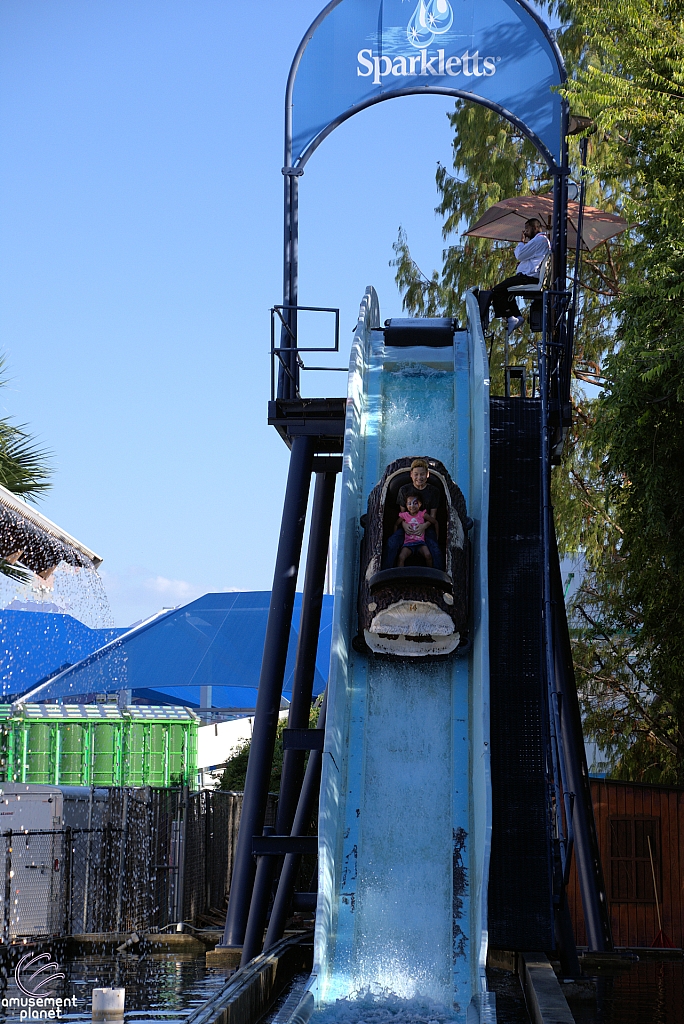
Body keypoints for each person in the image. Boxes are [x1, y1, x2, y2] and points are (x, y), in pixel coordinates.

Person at [478, 218, 551, 332]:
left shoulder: (539, 240)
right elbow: (532, 258)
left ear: (535, 228)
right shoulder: (541, 241)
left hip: (528, 278)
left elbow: (520, 254)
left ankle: (510, 317)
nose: (525, 233)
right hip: (529, 276)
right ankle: (517, 317)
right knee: (506, 291)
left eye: (527, 229)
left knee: (497, 290)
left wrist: (521, 242)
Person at [384, 458, 444, 569]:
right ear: (411, 475)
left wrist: (423, 526)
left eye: (422, 474)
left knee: (435, 549)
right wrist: (405, 525)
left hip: (425, 525)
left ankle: (438, 578)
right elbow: (402, 514)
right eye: (416, 474)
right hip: (407, 524)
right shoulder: (404, 490)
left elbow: (433, 516)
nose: (419, 478)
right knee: (391, 543)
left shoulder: (434, 491)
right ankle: (387, 574)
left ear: (427, 474)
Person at [396, 491, 434, 567]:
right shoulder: (404, 515)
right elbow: (396, 524)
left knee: (428, 555)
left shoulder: (422, 514)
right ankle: (400, 575)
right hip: (408, 543)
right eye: (409, 503)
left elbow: (435, 522)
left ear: (419, 504)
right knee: (401, 557)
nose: (412, 506)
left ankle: (430, 574)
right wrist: (396, 536)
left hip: (420, 542)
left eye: (415, 503)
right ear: (406, 505)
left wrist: (437, 537)